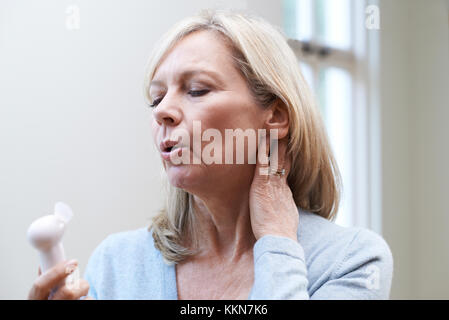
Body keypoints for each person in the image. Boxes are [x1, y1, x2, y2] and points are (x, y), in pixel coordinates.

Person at [28, 9, 393, 300]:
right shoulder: (116, 263)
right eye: (156, 98)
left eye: (198, 90)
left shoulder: (350, 261)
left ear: (276, 116)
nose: (161, 111)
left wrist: (278, 244)